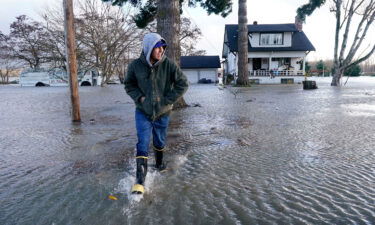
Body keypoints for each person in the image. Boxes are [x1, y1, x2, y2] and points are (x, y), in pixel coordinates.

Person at [124, 33, 189, 194]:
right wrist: (139, 97)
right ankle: (140, 181)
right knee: (143, 142)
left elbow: (183, 83)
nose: (161, 50)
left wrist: (168, 100)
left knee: (159, 141)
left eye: (163, 47)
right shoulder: (135, 66)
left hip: (163, 112)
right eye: (157, 47)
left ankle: (160, 165)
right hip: (142, 111)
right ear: (148, 48)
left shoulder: (169, 65)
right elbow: (129, 85)